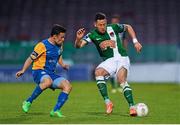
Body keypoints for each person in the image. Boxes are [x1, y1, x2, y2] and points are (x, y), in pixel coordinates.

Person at [74, 12, 142, 116]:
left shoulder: (113, 27)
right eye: (100, 25)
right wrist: (78, 39)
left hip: (122, 57)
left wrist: (135, 41)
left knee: (121, 80)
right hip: (110, 61)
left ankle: (132, 107)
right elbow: (78, 46)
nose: (103, 27)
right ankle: (108, 103)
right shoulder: (92, 35)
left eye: (104, 24)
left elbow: (128, 27)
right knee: (98, 72)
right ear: (95, 24)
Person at [16, 24, 72, 118]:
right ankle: (28, 101)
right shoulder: (42, 45)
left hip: (50, 74)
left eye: (64, 37)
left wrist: (63, 65)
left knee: (67, 85)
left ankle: (55, 110)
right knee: (47, 81)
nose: (63, 40)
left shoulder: (60, 45)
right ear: (54, 36)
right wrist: (23, 70)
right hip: (38, 71)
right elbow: (30, 58)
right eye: (61, 37)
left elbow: (59, 56)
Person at [109, 14, 128, 93]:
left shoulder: (121, 30)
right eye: (113, 21)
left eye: (116, 21)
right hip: (111, 52)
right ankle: (113, 87)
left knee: (120, 69)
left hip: (120, 52)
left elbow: (124, 40)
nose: (114, 22)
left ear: (118, 22)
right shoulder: (108, 29)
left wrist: (125, 49)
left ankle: (120, 86)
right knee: (112, 70)